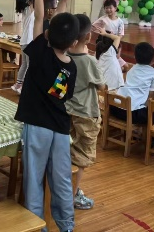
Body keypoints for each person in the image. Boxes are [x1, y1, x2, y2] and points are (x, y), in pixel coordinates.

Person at [15, 0, 81, 232]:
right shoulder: (71, 67)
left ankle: (36, 227)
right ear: (74, 43)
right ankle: (66, 226)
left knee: (34, 179)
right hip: (60, 128)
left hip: (37, 126)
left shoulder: (40, 51)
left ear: (46, 34)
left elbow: (40, 16)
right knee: (62, 179)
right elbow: (62, 95)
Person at [65, 14, 103, 211]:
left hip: (66, 110)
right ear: (89, 37)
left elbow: (57, 88)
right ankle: (71, 195)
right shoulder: (89, 61)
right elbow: (101, 85)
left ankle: (65, 189)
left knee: (66, 152)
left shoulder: (63, 57)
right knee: (81, 157)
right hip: (86, 113)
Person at [112, 43, 154, 124]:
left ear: (135, 57)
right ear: (153, 60)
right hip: (131, 113)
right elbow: (150, 98)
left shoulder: (131, 70)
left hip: (115, 108)